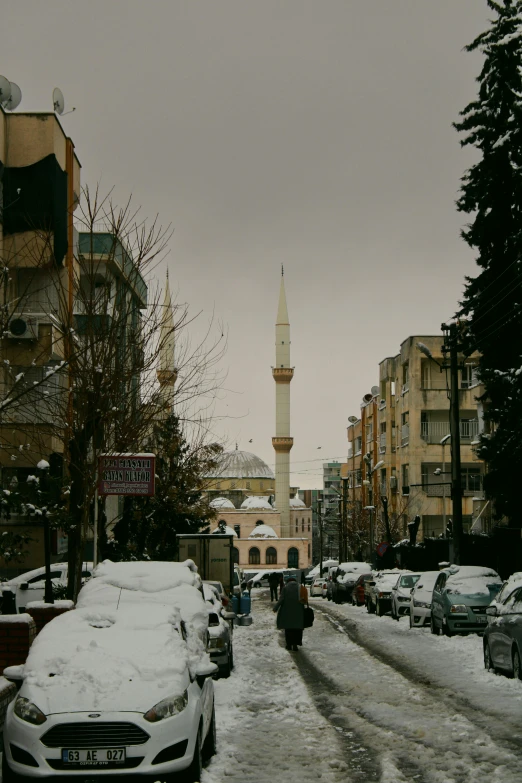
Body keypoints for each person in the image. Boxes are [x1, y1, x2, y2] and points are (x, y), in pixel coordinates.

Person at [273, 576, 308, 651]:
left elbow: (281, 599)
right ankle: (295, 645)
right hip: (299, 613)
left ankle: (289, 645)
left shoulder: (285, 588)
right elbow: (305, 599)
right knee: (297, 630)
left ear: (288, 582)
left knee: (289, 629)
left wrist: (275, 608)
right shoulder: (300, 587)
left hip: (287, 612)